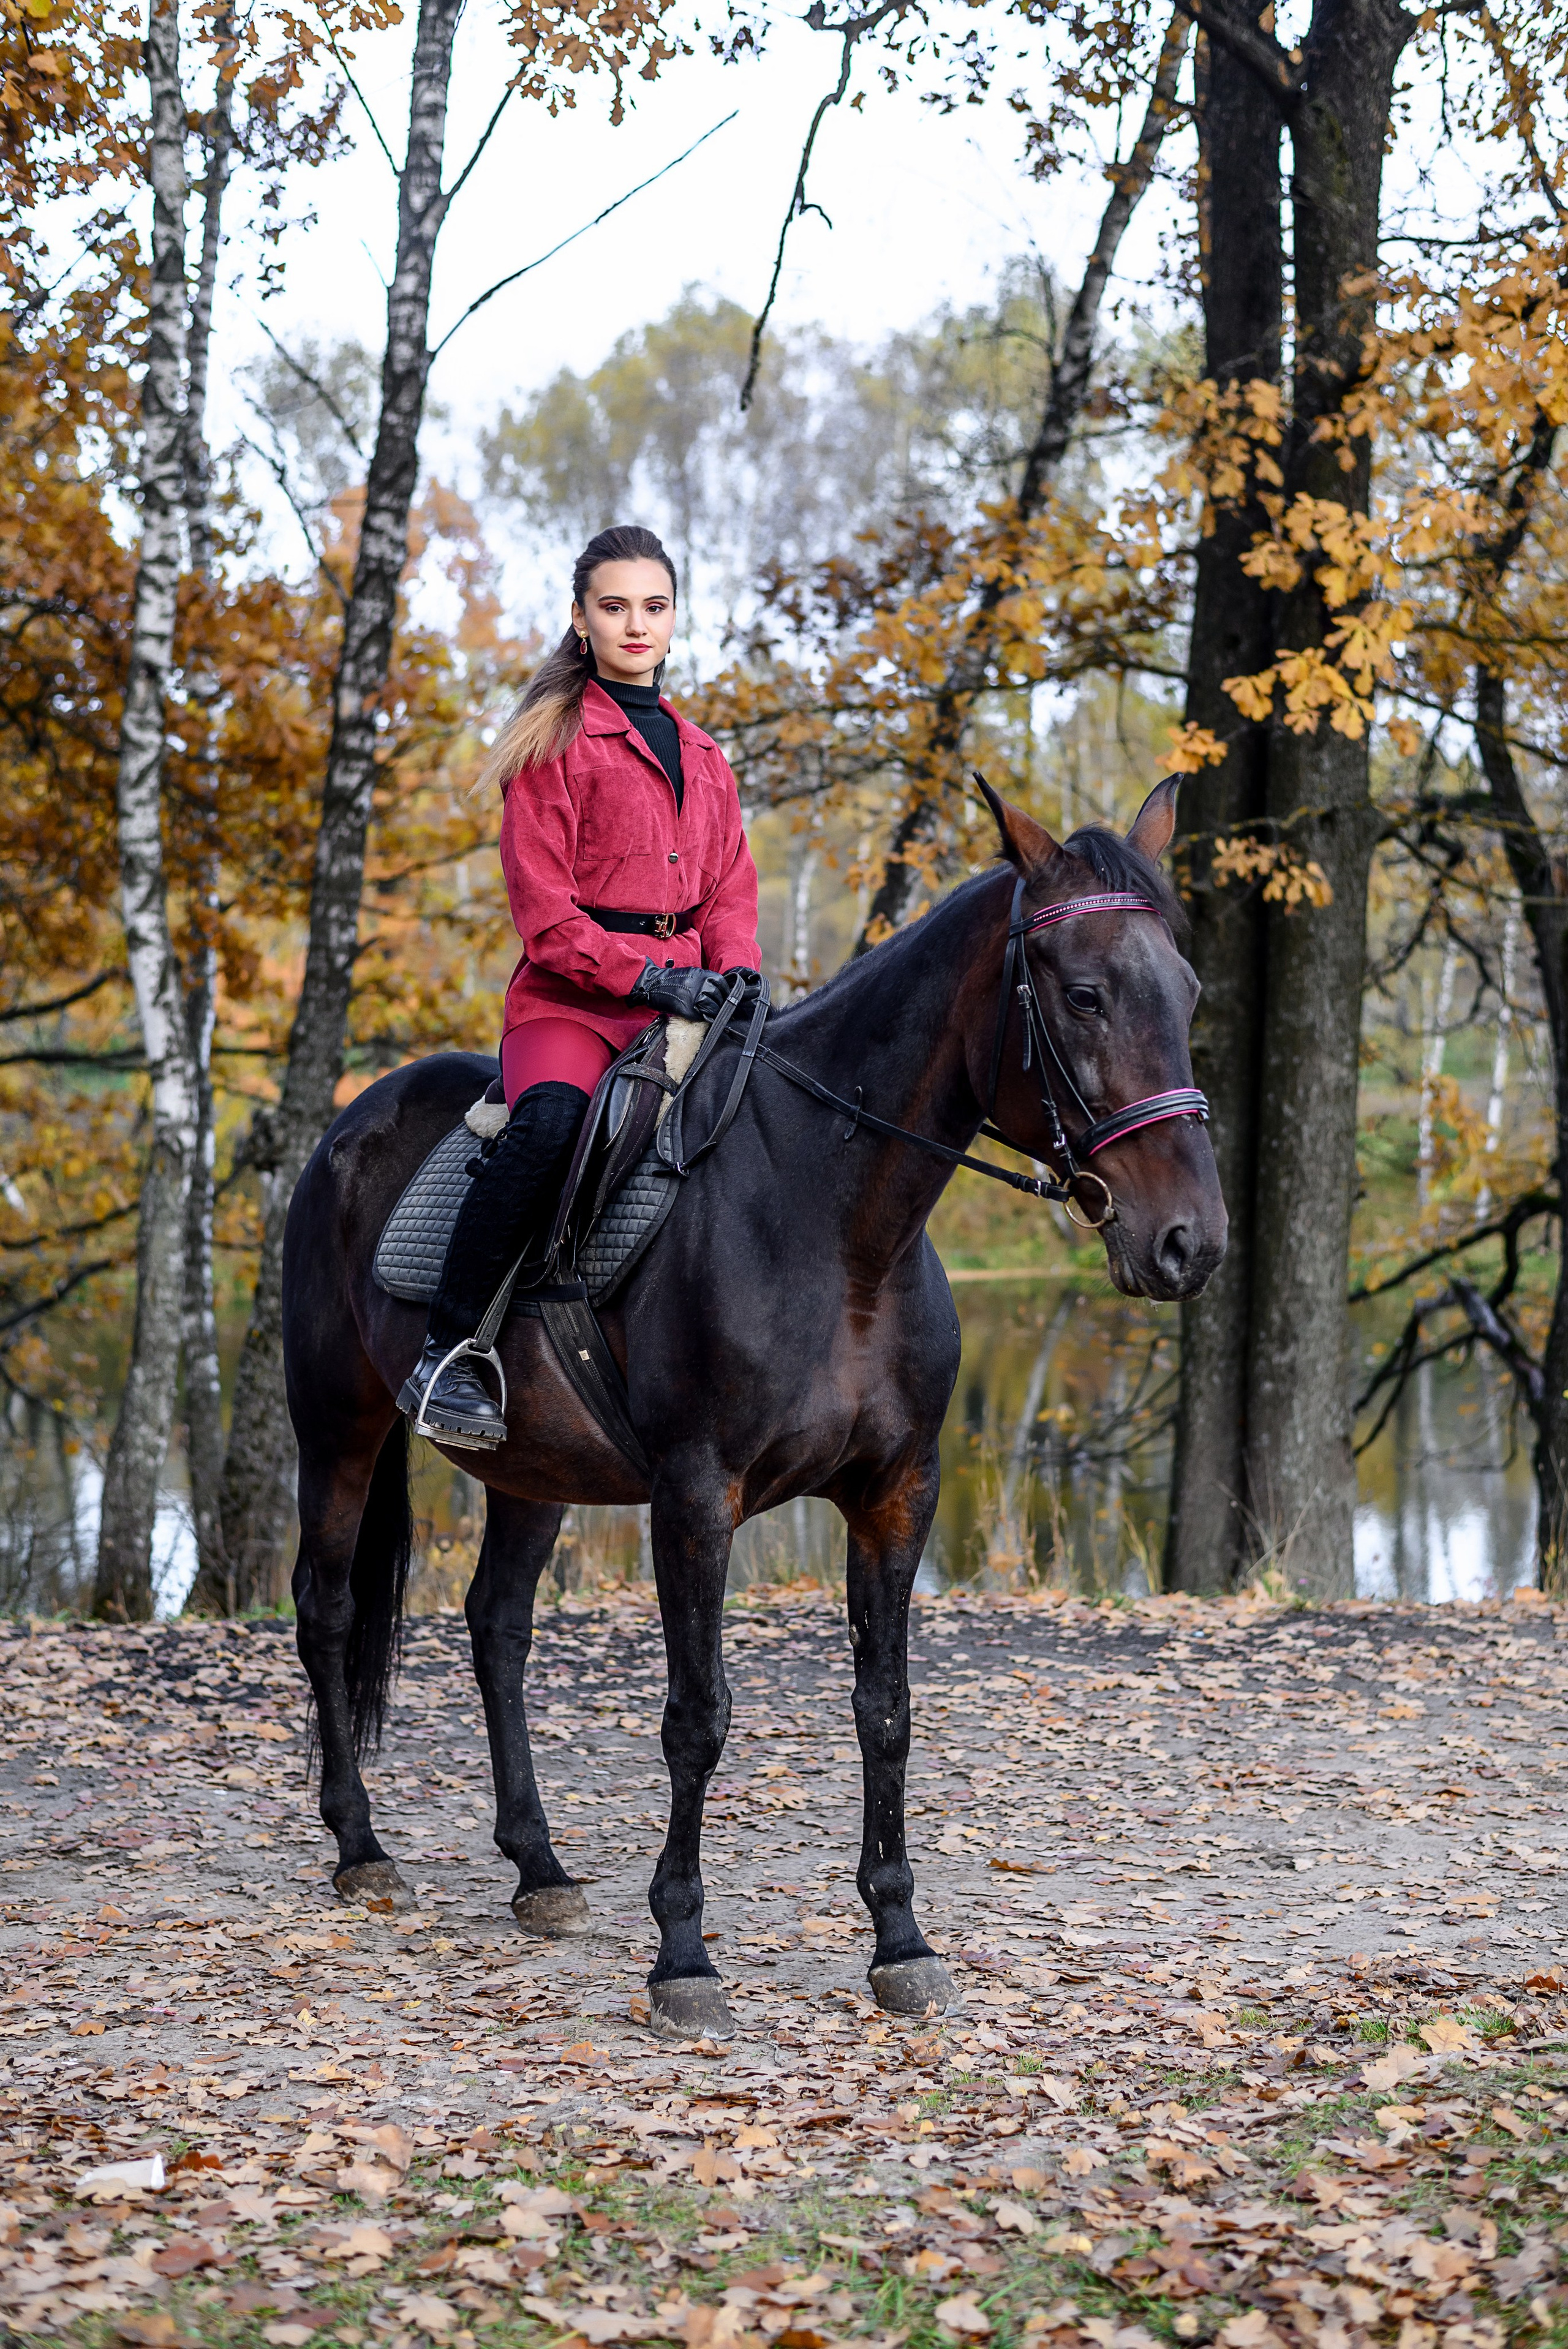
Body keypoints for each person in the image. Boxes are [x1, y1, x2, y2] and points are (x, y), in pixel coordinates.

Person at [399, 524, 763, 1449]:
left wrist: (740, 976)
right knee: (552, 1123)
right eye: (614, 607)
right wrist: (644, 976)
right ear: (581, 617)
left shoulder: (707, 758)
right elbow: (547, 917)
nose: (635, 624)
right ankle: (445, 1355)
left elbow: (729, 891)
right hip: (573, 1004)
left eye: (653, 606)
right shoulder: (551, 743)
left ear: (674, 616)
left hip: (689, 999)